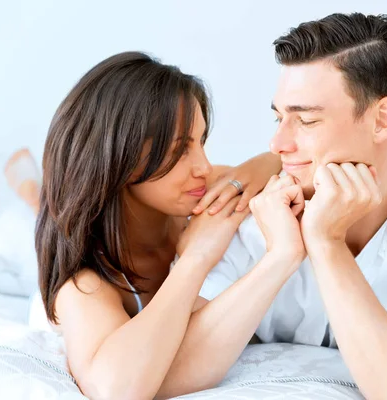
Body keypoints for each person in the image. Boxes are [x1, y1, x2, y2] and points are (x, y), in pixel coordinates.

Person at [173, 13, 387, 400]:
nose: (277, 144)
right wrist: (280, 257)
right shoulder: (244, 208)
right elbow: (170, 374)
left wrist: (327, 244)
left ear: (383, 119)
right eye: (279, 117)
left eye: (307, 120)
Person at [33, 51, 282, 400]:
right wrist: (196, 258)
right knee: (16, 233)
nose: (204, 167)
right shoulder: (85, 285)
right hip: (87, 239)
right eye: (180, 150)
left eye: (202, 142)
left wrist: (259, 164)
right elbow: (115, 390)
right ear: (119, 157)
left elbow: (285, 164)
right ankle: (29, 190)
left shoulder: (198, 194)